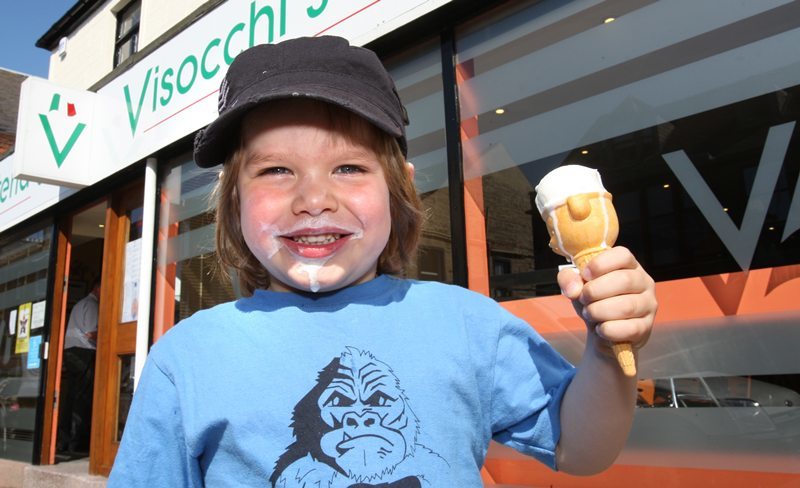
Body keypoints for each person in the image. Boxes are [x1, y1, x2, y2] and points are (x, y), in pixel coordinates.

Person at [109, 36, 657, 486]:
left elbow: (580, 450)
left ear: (400, 192)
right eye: (276, 170)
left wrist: (609, 353)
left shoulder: (469, 324)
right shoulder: (186, 359)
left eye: (349, 167)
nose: (313, 198)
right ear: (233, 202)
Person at [59, 278, 100, 454]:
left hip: (71, 352)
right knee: (82, 398)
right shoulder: (91, 305)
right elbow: (92, 333)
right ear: (98, 288)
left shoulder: (79, 304)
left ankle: (64, 440)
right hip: (83, 352)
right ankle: (78, 442)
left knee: (71, 398)